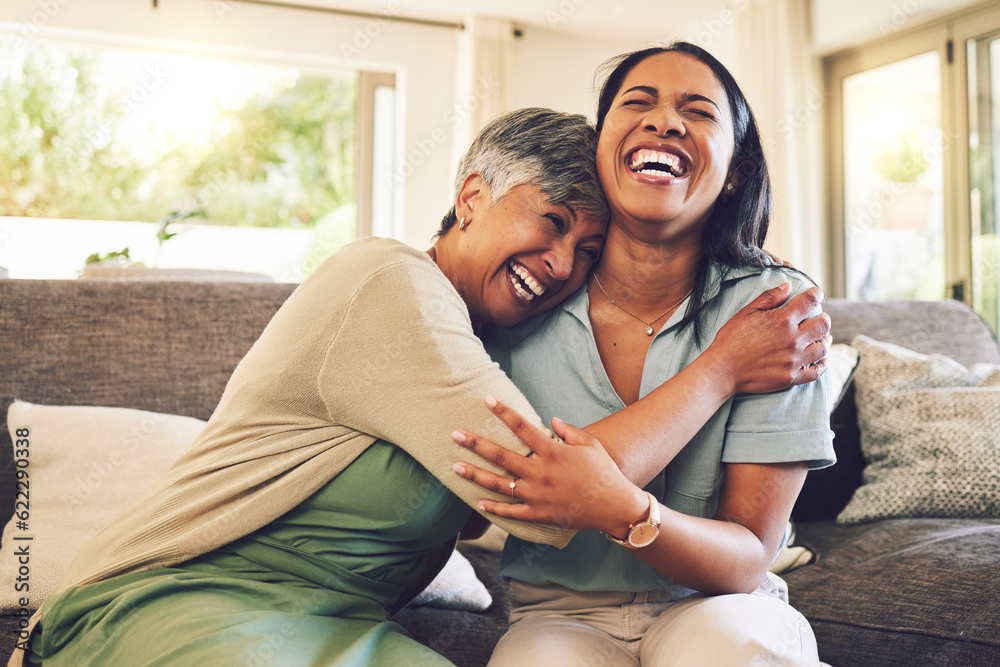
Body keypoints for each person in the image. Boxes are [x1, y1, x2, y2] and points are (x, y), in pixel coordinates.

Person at [13, 108, 827, 667]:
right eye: (550, 221)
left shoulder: (495, 342)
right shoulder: (387, 281)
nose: (561, 264)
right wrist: (722, 364)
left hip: (338, 625)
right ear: (472, 195)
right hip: (179, 595)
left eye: (586, 248)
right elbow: (540, 489)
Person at [452, 43, 836, 666]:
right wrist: (721, 370)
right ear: (599, 150)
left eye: (699, 111)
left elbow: (746, 557)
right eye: (638, 103)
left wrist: (630, 512)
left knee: (731, 650)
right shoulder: (524, 292)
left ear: (735, 169)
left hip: (717, 603)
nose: (665, 121)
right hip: (558, 611)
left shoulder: (775, 311)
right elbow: (495, 491)